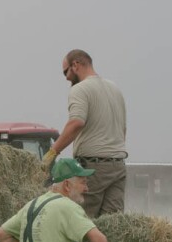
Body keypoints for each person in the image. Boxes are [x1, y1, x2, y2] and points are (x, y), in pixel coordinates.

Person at [42, 49, 127, 218]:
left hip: (93, 168)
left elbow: (76, 123)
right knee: (111, 226)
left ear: (76, 65)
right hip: (118, 166)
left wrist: (52, 152)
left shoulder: (80, 89)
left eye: (65, 72)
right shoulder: (115, 89)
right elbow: (123, 130)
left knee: (84, 223)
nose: (66, 78)